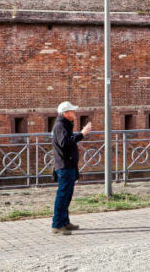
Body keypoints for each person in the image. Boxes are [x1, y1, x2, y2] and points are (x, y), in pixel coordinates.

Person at [51, 101, 92, 235]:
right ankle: (57, 225)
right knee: (63, 196)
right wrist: (82, 134)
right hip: (64, 166)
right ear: (65, 113)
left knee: (67, 195)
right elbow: (65, 143)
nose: (75, 113)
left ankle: (65, 222)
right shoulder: (60, 125)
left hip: (68, 165)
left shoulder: (65, 125)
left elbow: (67, 140)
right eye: (72, 111)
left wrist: (79, 134)